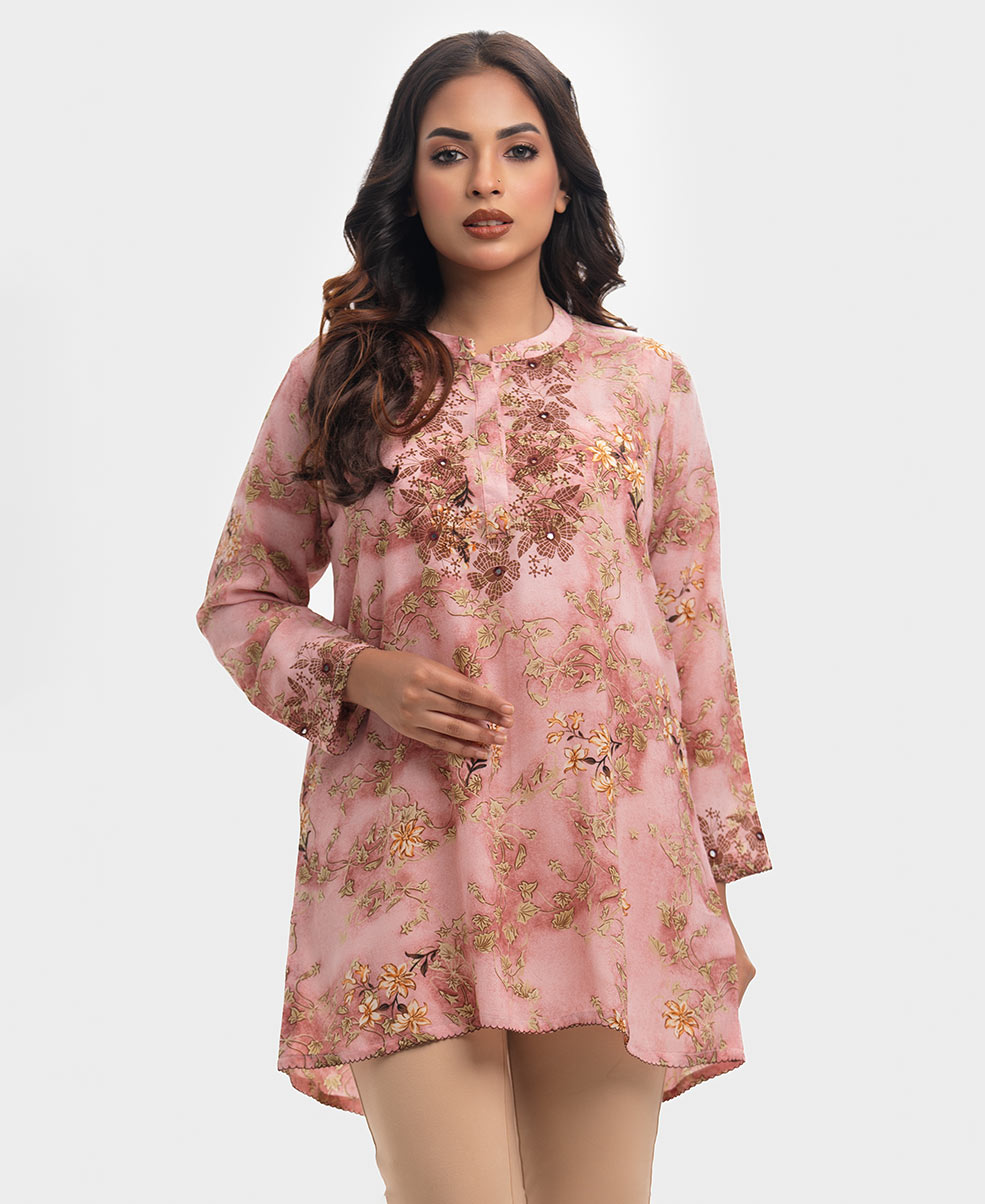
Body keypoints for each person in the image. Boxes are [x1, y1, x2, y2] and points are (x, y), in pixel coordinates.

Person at [195, 28, 773, 1204]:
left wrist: (714, 858)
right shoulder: (339, 379)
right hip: (403, 857)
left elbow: (691, 628)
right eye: (449, 153)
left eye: (517, 149)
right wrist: (361, 673)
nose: (485, 181)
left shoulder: (643, 383)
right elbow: (241, 597)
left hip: (610, 860)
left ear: (563, 183)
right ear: (408, 185)